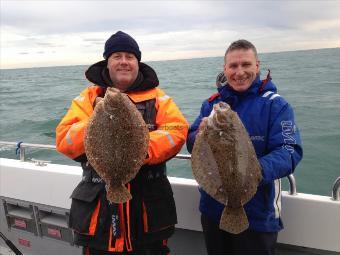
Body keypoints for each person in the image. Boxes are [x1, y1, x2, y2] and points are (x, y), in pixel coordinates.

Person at [56, 31, 188, 255]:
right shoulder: (88, 98)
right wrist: (96, 125)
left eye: (130, 56)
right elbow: (64, 139)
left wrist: (138, 150)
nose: (124, 61)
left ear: (138, 62)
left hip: (147, 214)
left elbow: (176, 131)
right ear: (107, 63)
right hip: (99, 215)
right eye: (117, 56)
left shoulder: (158, 98)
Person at [186, 39, 303, 255]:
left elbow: (290, 151)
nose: (240, 72)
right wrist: (199, 133)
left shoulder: (277, 105)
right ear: (225, 69)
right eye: (233, 66)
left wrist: (252, 172)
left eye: (246, 65)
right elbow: (191, 142)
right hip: (213, 210)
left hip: (258, 214)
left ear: (257, 66)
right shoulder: (211, 104)